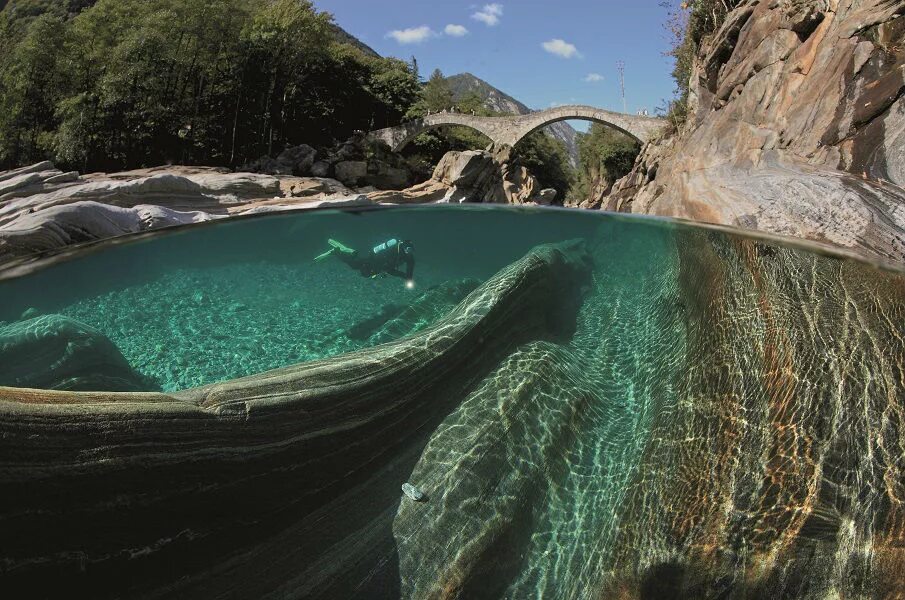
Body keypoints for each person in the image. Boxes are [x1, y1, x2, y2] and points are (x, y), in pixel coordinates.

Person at [315, 237, 415, 283]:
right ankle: (336, 252)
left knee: (363, 271)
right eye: (407, 249)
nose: (408, 252)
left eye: (410, 250)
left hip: (378, 265)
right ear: (403, 247)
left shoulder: (408, 257)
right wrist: (403, 275)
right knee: (355, 265)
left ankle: (352, 252)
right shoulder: (393, 250)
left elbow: (409, 268)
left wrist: (408, 277)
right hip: (374, 260)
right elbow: (388, 268)